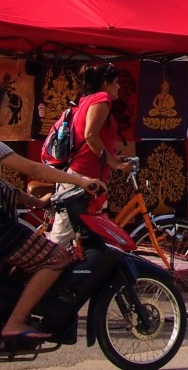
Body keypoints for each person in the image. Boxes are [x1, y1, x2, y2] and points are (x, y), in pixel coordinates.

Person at [0, 83, 106, 344]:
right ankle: (15, 322)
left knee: (32, 260)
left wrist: (37, 201)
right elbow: (35, 169)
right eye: (5, 104)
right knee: (57, 258)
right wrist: (81, 181)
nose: (9, 109)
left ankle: (8, 311)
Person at [47, 63, 133, 247]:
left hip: (91, 181)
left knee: (90, 240)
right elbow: (90, 136)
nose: (118, 87)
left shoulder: (86, 100)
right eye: (116, 82)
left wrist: (112, 158)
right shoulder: (101, 98)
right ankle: (32, 274)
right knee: (59, 242)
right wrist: (114, 164)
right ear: (105, 83)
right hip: (82, 178)